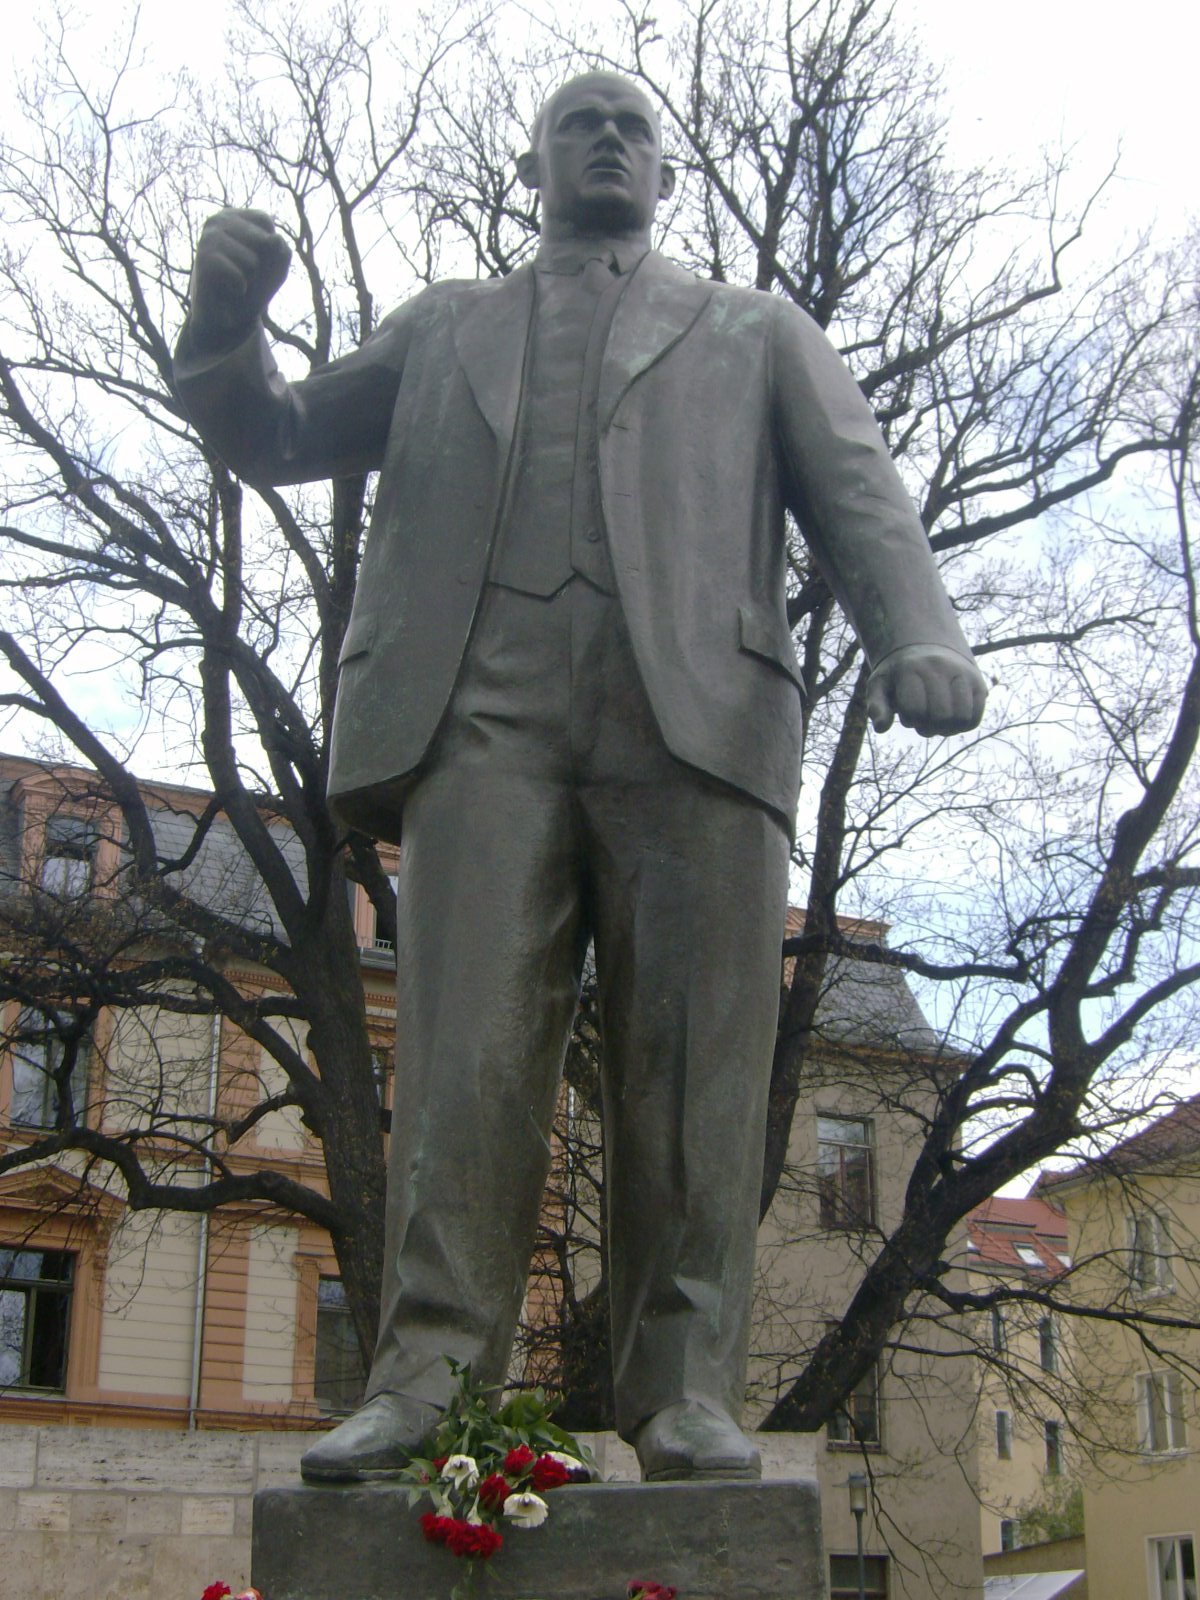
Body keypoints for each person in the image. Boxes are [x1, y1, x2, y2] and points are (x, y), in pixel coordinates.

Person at [174, 71, 986, 1483]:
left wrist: (917, 633)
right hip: (481, 718)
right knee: (462, 1058)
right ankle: (428, 1379)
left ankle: (682, 1391)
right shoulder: (445, 328)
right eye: (578, 126)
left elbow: (858, 487)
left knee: (696, 1067)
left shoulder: (752, 331)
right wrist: (222, 327)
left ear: (664, 174)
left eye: (633, 131)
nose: (607, 141)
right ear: (537, 162)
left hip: (698, 720)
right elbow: (281, 435)